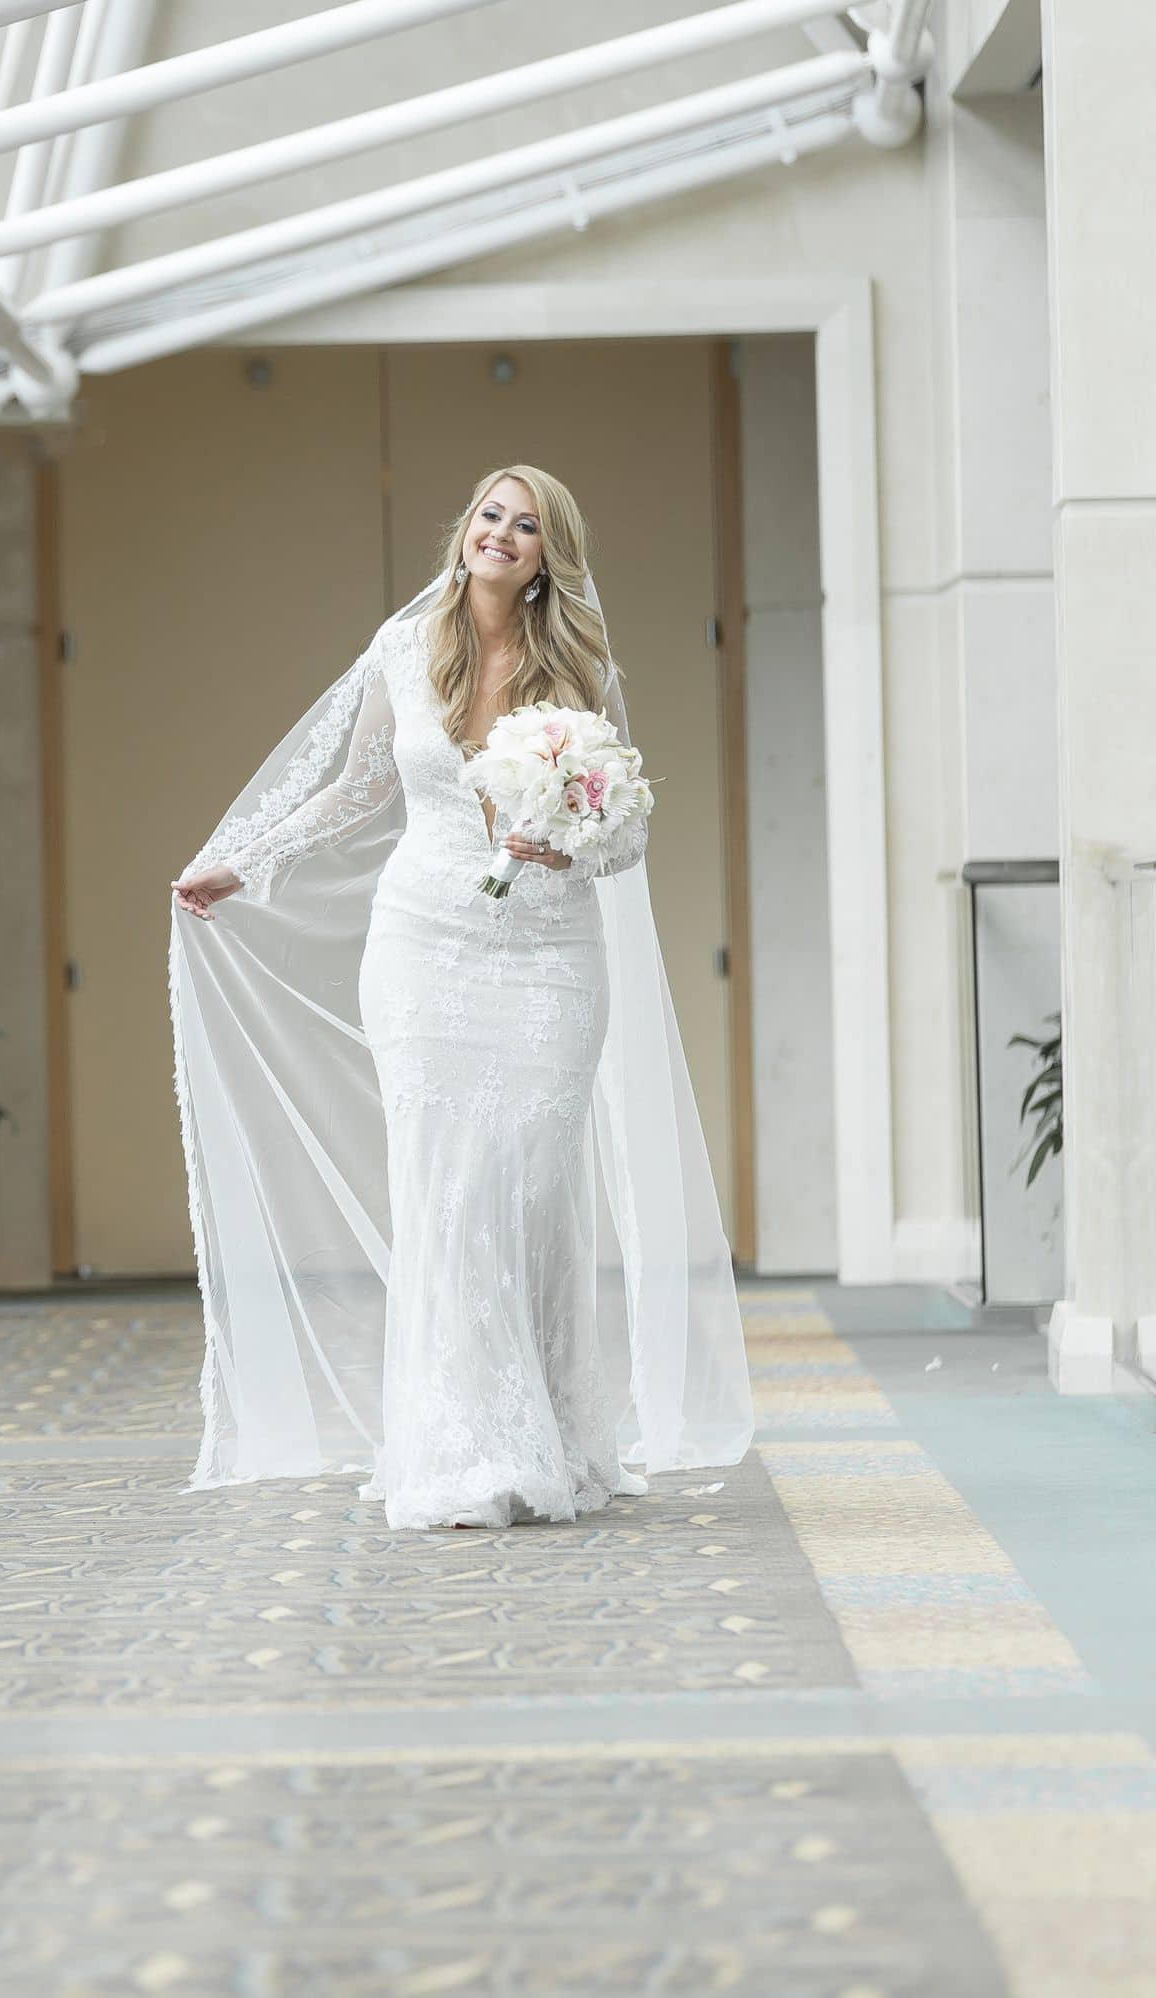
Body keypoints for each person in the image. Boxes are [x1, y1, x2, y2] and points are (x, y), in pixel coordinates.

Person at [166, 466, 750, 1531]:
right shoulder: (404, 649)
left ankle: (556, 1434)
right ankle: (461, 1448)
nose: (502, 534)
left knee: (528, 1189)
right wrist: (243, 861)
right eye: (491, 514)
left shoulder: (585, 671)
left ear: (548, 555)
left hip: (550, 960)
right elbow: (356, 789)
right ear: (466, 531)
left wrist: (565, 845)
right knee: (446, 1188)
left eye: (527, 526)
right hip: (424, 945)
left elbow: (628, 835)